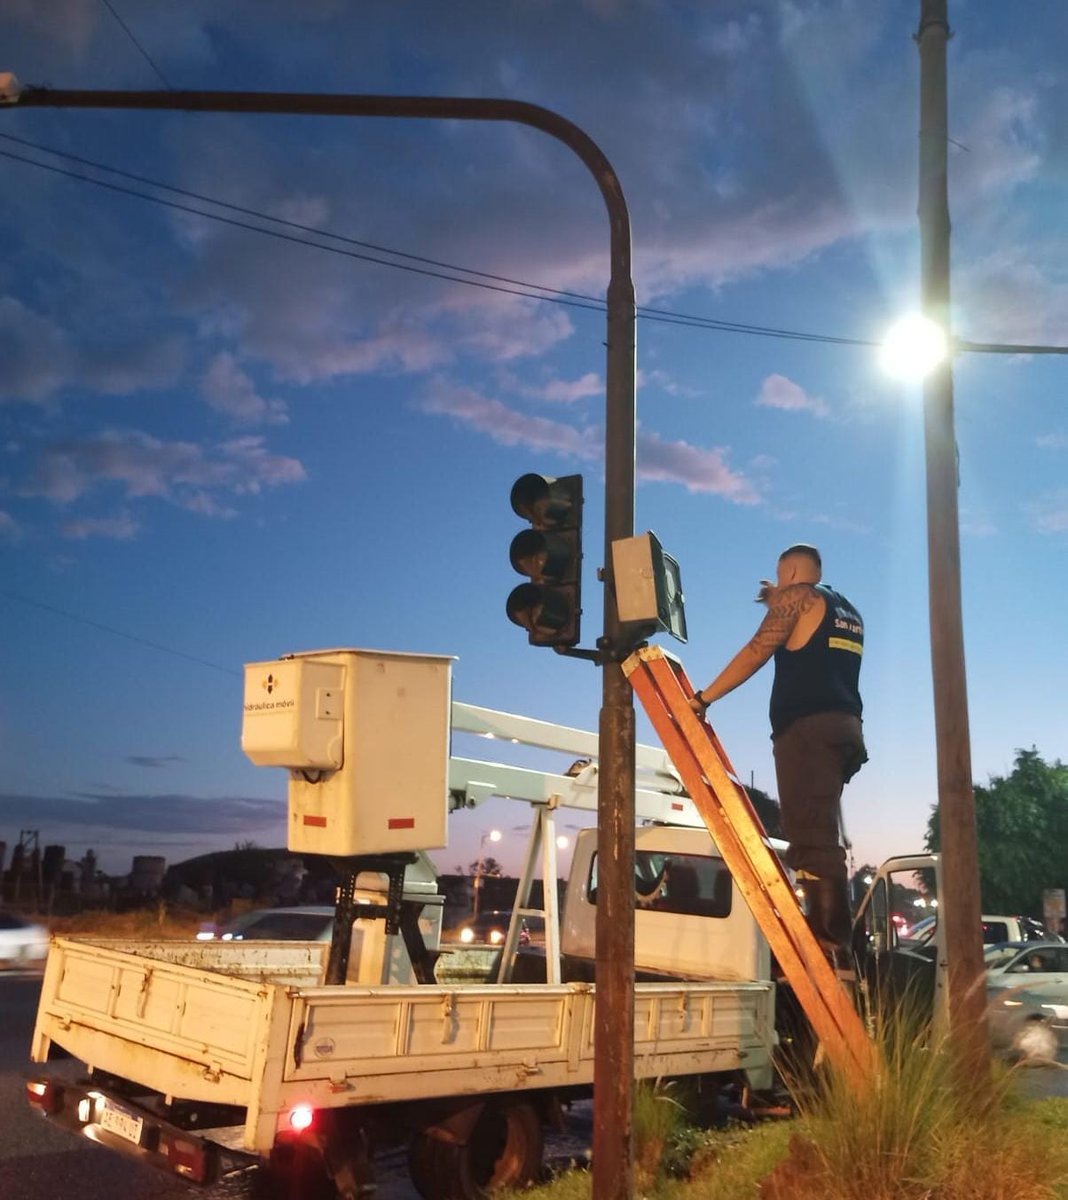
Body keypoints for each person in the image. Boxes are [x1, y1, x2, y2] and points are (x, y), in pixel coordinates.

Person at [689, 544, 867, 968]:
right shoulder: (845, 609)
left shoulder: (796, 598)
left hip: (807, 730)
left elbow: (757, 650)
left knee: (812, 838)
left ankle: (828, 946)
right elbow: (805, 623)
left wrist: (704, 699)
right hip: (846, 728)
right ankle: (831, 939)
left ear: (789, 571)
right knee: (816, 822)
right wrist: (775, 596)